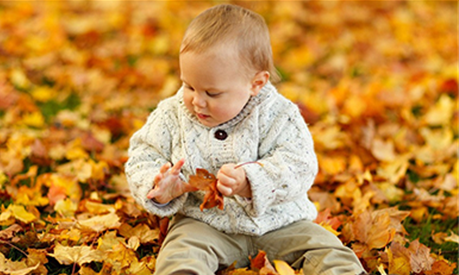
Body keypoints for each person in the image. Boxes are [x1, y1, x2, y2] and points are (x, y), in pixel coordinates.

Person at [125, 4, 366, 275]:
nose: (197, 100)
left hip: (281, 223)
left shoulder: (279, 115)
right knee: (182, 253)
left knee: (327, 251)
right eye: (189, 85)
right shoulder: (172, 114)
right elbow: (143, 156)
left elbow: (300, 164)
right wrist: (158, 187)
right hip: (205, 225)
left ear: (256, 84)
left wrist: (251, 181)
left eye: (213, 93)